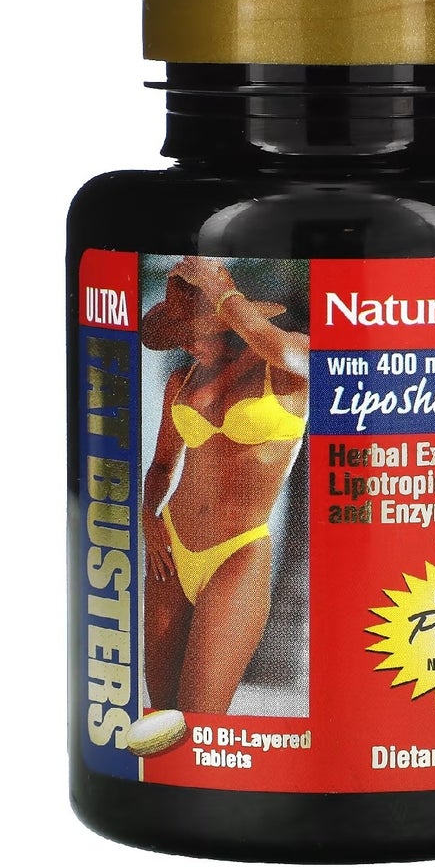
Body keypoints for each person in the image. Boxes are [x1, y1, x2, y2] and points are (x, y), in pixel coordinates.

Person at [141, 256, 308, 713]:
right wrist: (148, 517)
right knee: (164, 716)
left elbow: (273, 345)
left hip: (239, 551)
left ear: (228, 323)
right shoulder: (183, 381)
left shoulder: (291, 366)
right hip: (170, 548)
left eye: (194, 332)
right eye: (180, 336)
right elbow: (161, 466)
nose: (186, 345)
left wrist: (220, 290)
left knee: (202, 714)